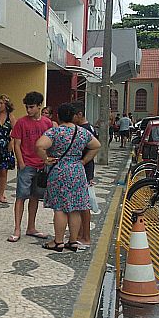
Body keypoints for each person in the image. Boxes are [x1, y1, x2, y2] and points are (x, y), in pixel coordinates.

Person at [35, 102, 101, 252]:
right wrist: (84, 160)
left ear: (58, 116)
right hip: (77, 171)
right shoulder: (82, 132)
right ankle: (73, 241)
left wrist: (45, 159)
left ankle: (58, 242)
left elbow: (39, 145)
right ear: (73, 116)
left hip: (59, 170)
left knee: (59, 208)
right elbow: (96, 145)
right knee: (75, 207)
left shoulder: (55, 132)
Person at [8, 91, 54, 243]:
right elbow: (17, 143)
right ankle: (17, 228)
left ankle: (31, 226)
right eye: (27, 107)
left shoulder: (47, 123)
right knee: (21, 196)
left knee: (35, 196)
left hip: (41, 165)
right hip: (27, 164)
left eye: (32, 107)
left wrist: (47, 160)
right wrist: (20, 162)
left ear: (39, 106)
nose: (29, 110)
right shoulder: (21, 122)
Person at [73, 103, 97, 249]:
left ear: (80, 114)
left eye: (74, 115)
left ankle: (86, 236)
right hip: (85, 169)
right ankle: (80, 232)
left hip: (85, 170)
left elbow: (94, 148)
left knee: (84, 205)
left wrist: (83, 161)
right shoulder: (88, 128)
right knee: (81, 203)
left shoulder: (86, 130)